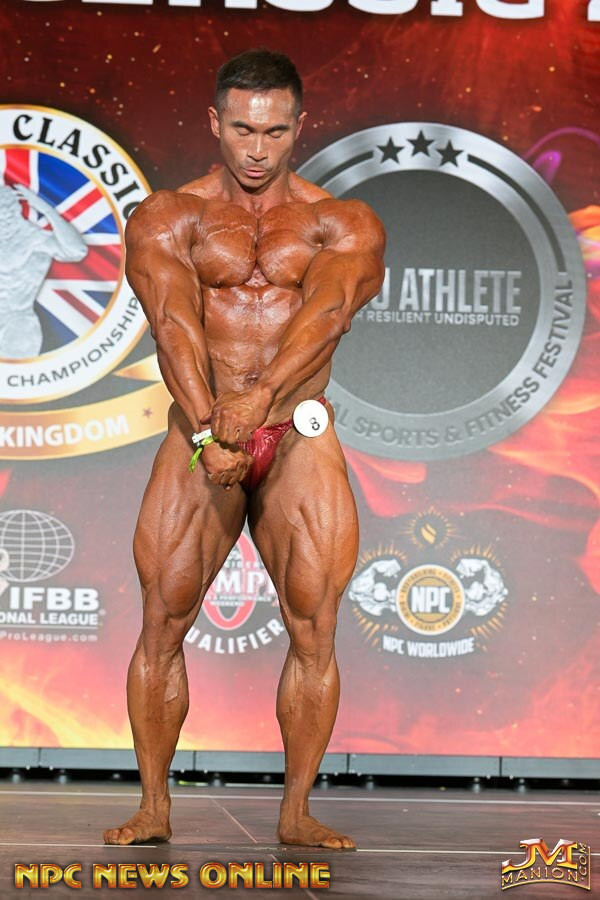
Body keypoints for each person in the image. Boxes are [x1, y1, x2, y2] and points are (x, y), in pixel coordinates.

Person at [103, 48, 385, 851]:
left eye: (274, 131)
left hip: (296, 433)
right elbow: (172, 326)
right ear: (215, 124)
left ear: (299, 126)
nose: (257, 149)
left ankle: (296, 811)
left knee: (314, 625)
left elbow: (325, 317)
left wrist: (258, 407)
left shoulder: (343, 223)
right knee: (163, 618)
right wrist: (207, 431)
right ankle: (153, 807)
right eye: (242, 129)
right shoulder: (170, 216)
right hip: (198, 428)